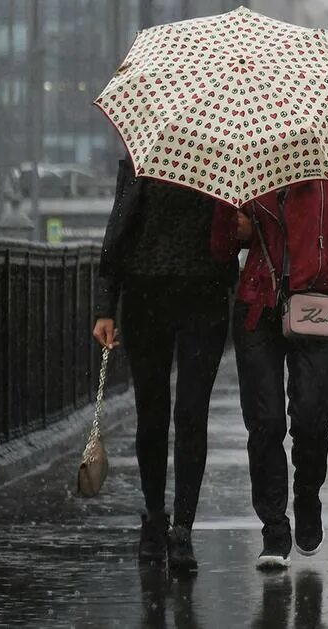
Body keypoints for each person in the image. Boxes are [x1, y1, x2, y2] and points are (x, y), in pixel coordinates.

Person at [210, 161, 328, 569]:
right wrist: (236, 228)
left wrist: (327, 250)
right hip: (257, 306)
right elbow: (220, 248)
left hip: (316, 302)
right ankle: (273, 527)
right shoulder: (244, 170)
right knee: (265, 422)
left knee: (311, 419)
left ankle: (307, 495)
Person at [92, 157, 239, 574]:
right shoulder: (139, 160)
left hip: (204, 298)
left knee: (191, 413)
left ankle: (183, 529)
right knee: (151, 413)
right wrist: (106, 306)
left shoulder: (224, 158)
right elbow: (117, 233)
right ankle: (155, 518)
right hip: (145, 297)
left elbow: (239, 228)